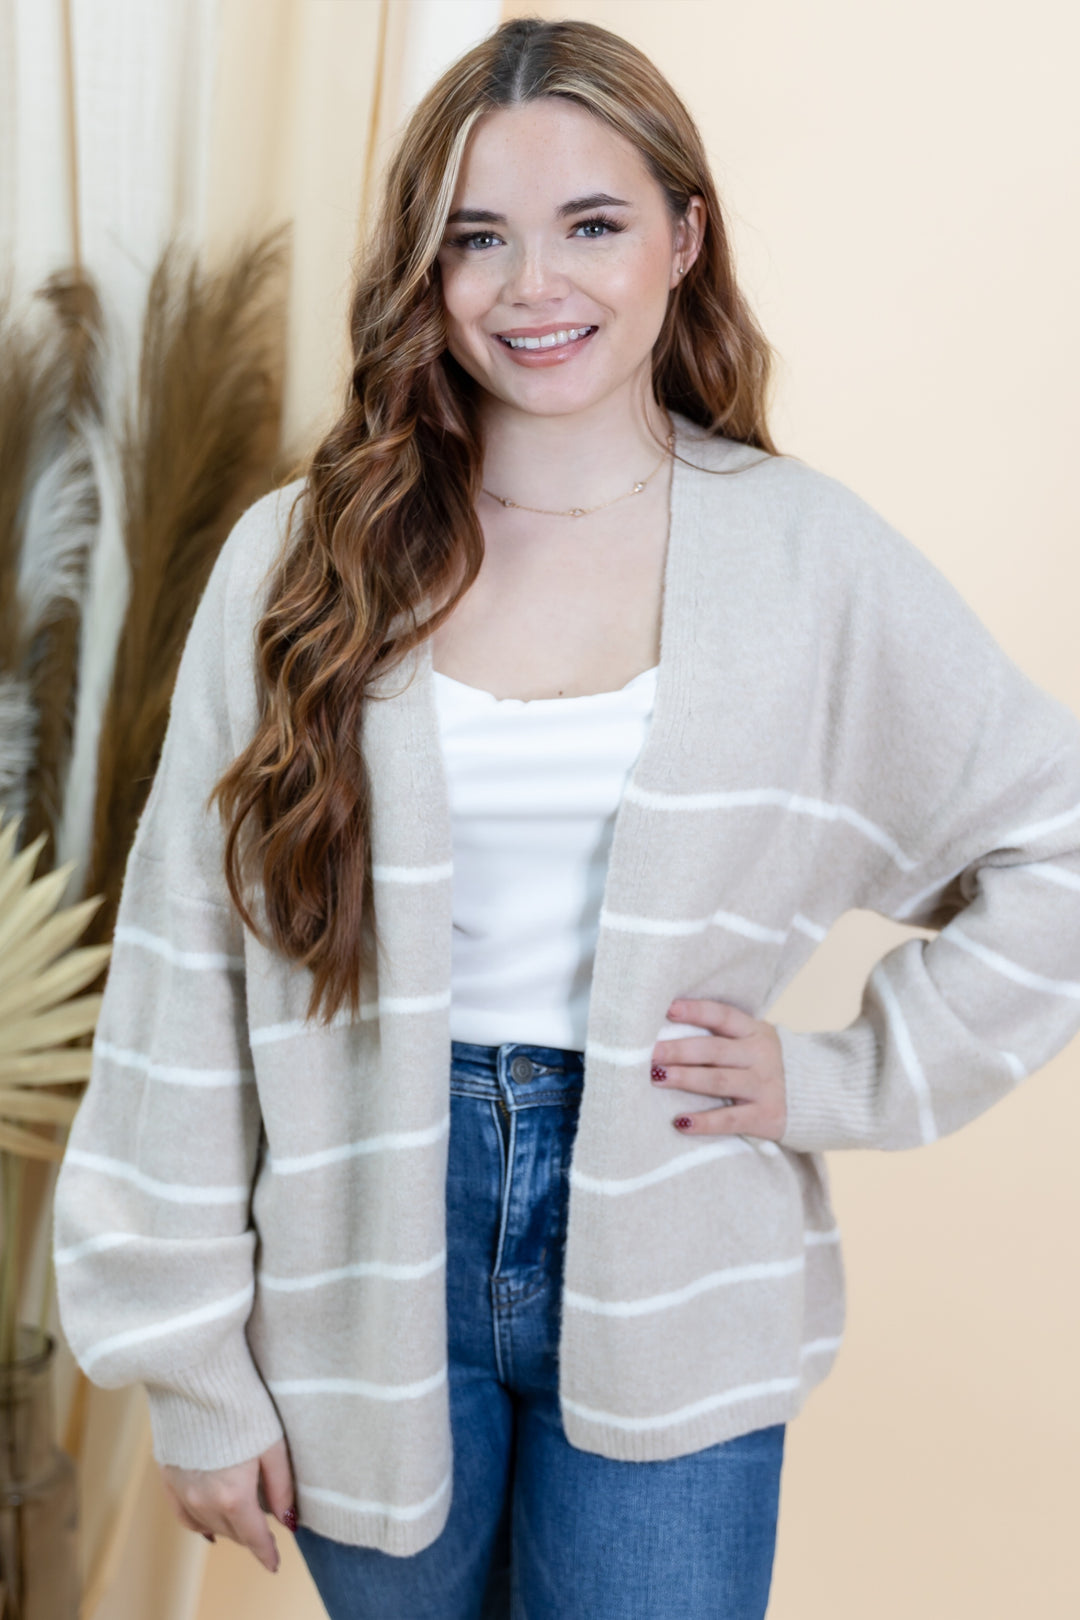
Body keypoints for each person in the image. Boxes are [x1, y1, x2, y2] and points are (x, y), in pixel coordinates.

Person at [52, 16, 1080, 1620]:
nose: (533, 287)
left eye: (592, 225)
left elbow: (1053, 842)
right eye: (479, 238)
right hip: (359, 1257)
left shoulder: (807, 558)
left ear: (685, 237)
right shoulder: (299, 559)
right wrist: (189, 1367)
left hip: (680, 1245)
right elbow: (185, 970)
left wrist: (836, 1077)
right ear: (427, 267)